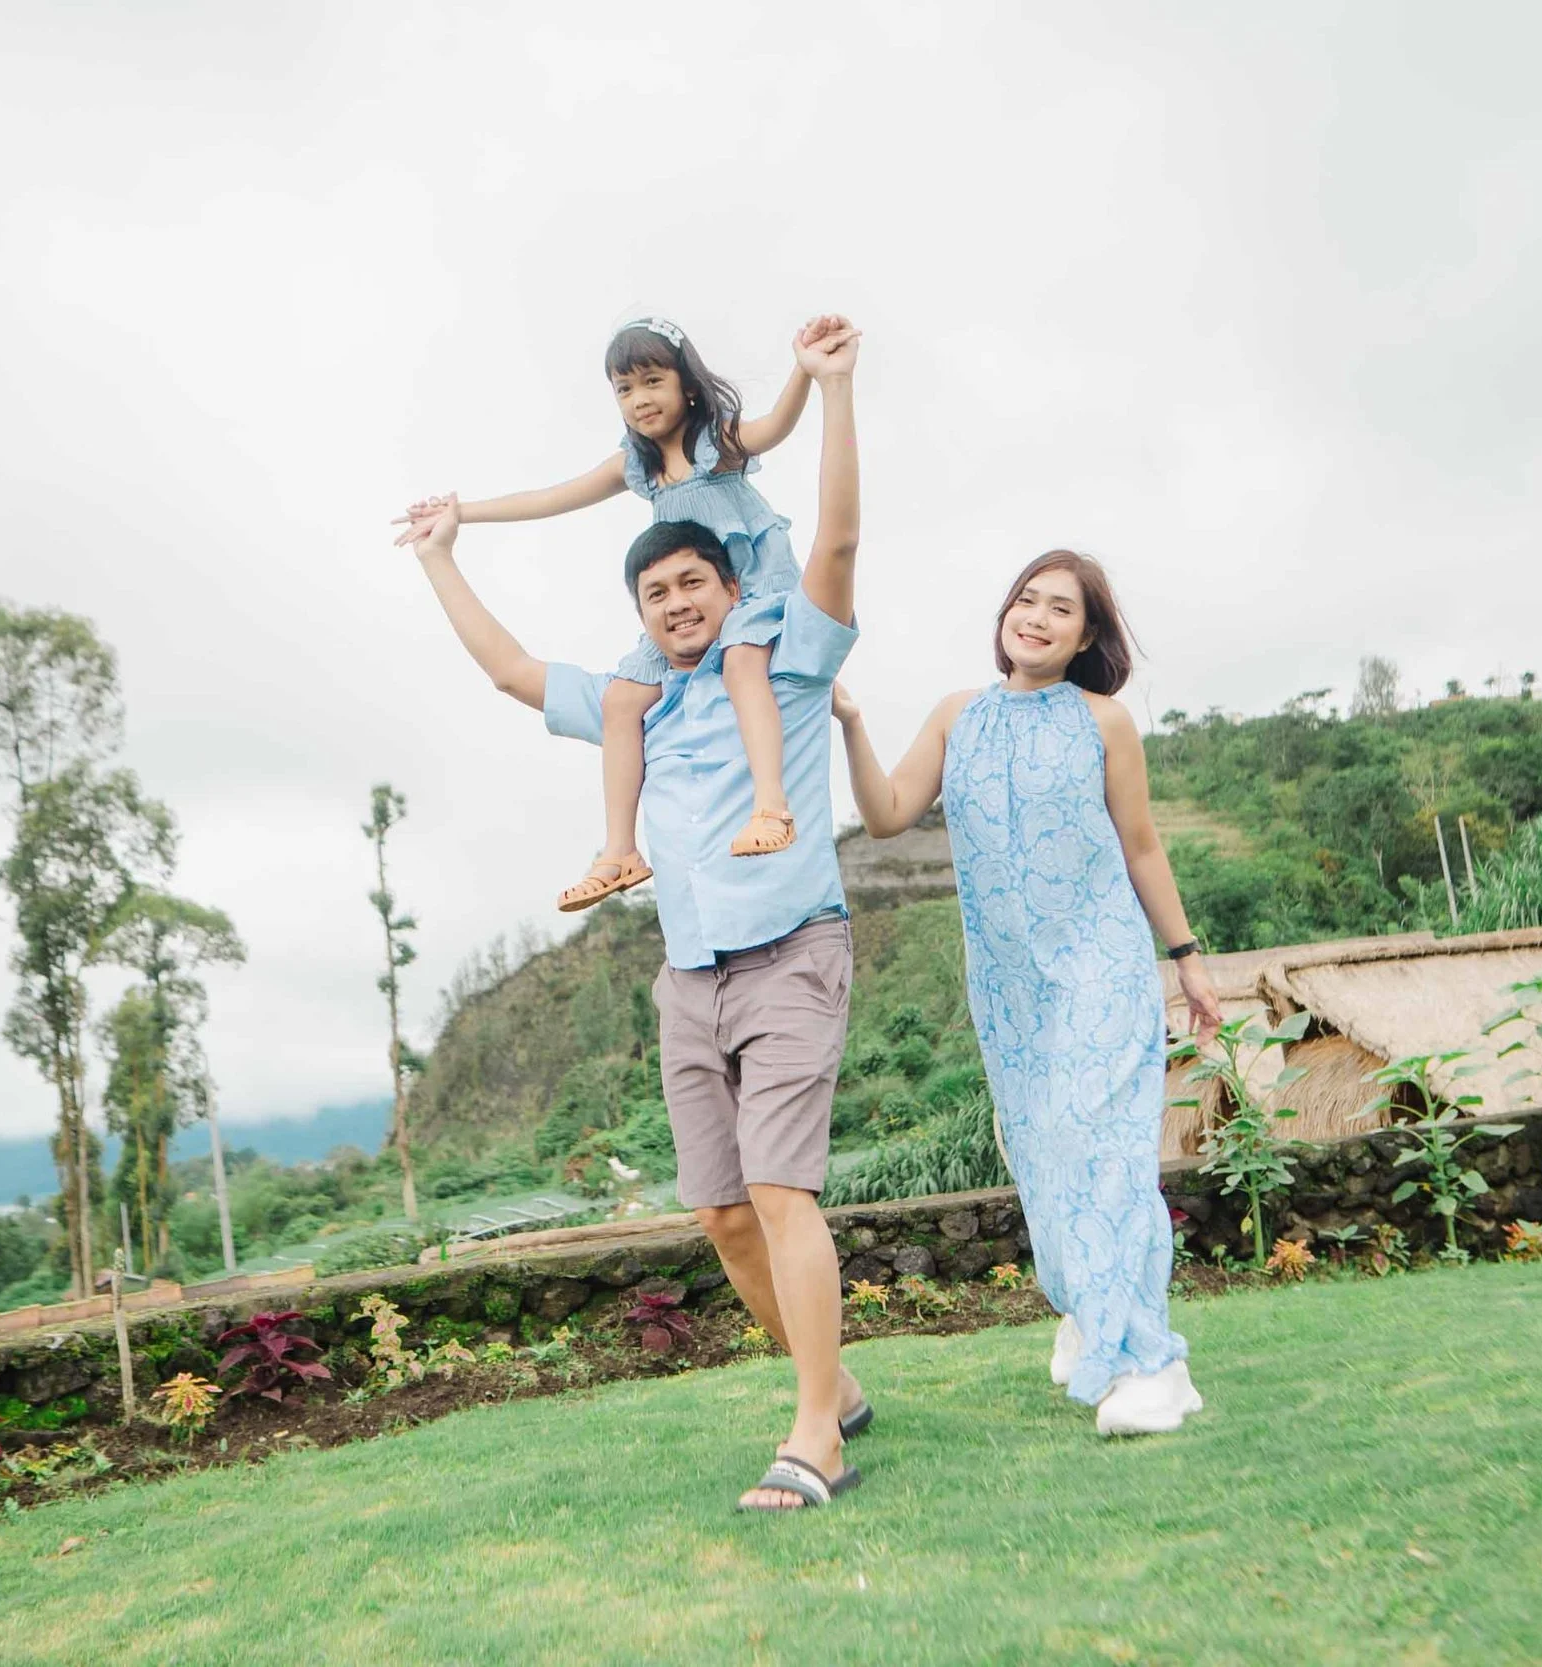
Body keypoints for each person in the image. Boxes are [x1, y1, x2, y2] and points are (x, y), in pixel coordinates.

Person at [399, 320, 871, 1511]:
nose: (673, 601)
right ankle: (839, 1381)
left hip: (791, 953)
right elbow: (511, 671)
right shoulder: (641, 697)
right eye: (653, 589)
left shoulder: (790, 658)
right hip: (689, 975)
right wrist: (439, 555)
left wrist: (834, 391)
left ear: (729, 585)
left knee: (780, 1192)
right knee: (720, 1213)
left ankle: (816, 1429)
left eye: (691, 583)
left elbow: (839, 536)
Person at [830, 551, 1226, 1435]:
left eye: (1061, 608)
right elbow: (889, 813)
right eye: (1026, 599)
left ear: (1088, 635)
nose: (1037, 616)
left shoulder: (1104, 721)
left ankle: (1152, 1365)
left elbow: (1143, 848)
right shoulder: (956, 716)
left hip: (1101, 962)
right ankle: (1092, 1315)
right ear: (1005, 614)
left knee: (1103, 1147)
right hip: (1010, 985)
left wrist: (1188, 955)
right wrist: (852, 724)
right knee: (1047, 1155)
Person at [394, 316, 842, 914]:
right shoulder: (638, 467)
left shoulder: (715, 444)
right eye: (624, 390)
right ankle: (619, 851)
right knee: (624, 700)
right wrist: (462, 513)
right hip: (686, 613)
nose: (639, 400)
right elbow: (551, 497)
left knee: (741, 663)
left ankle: (771, 805)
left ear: (686, 384)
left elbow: (774, 429)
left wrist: (806, 374)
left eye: (651, 382)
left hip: (751, 589)